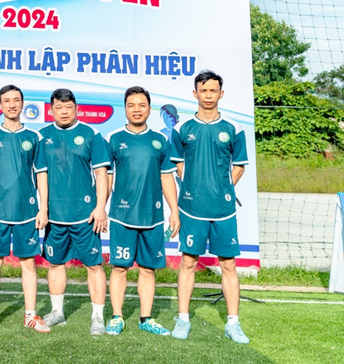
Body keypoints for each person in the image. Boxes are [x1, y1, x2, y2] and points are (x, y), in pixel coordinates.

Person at [170, 70, 250, 344]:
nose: (208, 95)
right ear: (195, 94)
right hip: (192, 209)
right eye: (203, 91)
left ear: (221, 94)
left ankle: (233, 324)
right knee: (188, 263)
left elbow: (238, 167)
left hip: (223, 210)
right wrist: (192, 185)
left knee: (228, 265)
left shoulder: (233, 129)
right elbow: (177, 165)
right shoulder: (182, 130)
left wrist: (223, 188)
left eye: (213, 90)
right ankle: (183, 319)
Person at [105, 86, 180, 337]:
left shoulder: (159, 141)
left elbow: (167, 177)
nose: (137, 110)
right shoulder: (114, 138)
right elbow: (106, 177)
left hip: (152, 217)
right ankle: (117, 317)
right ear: (125, 109)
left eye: (141, 105)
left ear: (149, 108)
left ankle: (145, 318)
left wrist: (174, 211)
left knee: (148, 269)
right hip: (121, 217)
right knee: (119, 268)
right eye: (131, 105)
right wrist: (101, 209)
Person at [0, 85, 50, 333]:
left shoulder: (34, 137)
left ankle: (30, 315)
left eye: (16, 100)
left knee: (28, 264)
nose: (11, 104)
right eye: (6, 100)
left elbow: (41, 175)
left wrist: (43, 209)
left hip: (26, 212)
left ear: (22, 104)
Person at [39, 88, 110, 335]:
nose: (64, 112)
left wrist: (101, 207)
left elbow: (102, 174)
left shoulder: (91, 134)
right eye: (59, 107)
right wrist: (43, 208)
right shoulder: (42, 136)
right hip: (54, 216)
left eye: (68, 107)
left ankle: (98, 317)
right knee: (56, 263)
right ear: (51, 110)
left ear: (76, 108)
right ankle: (57, 312)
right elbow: (41, 175)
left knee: (94, 265)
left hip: (86, 215)